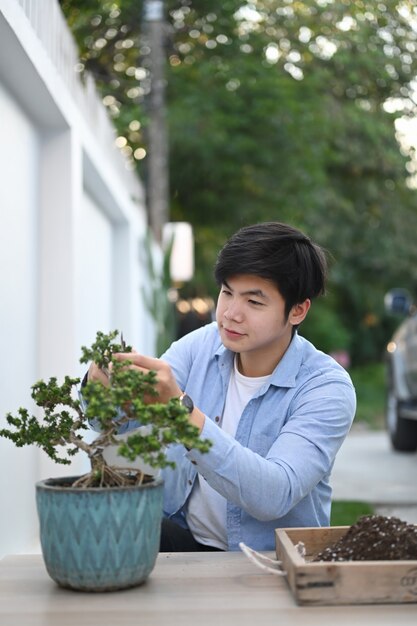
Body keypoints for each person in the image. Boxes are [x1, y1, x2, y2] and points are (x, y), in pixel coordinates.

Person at [88, 222, 356, 552]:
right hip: (182, 537)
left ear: (298, 310)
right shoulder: (201, 345)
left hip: (271, 559)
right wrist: (100, 390)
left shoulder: (325, 387)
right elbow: (118, 422)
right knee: (100, 532)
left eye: (254, 302)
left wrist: (180, 413)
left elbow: (274, 494)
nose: (230, 314)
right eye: (227, 292)